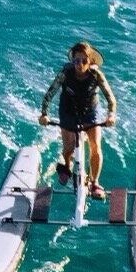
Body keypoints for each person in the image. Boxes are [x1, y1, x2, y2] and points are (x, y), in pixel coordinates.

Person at [38, 41, 117, 197]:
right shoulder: (65, 74)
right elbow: (49, 94)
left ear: (90, 61)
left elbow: (111, 98)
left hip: (89, 112)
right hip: (68, 111)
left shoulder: (96, 75)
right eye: (76, 61)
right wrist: (44, 114)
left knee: (95, 146)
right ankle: (66, 166)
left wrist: (111, 115)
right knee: (68, 149)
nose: (79, 64)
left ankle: (95, 183)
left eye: (83, 61)